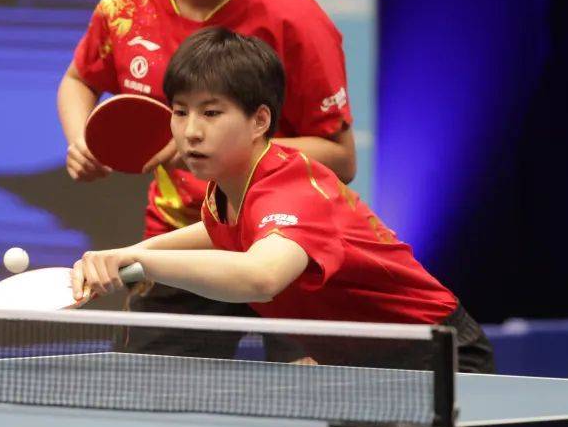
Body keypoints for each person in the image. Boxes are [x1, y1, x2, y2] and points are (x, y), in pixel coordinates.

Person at [57, 0, 355, 360]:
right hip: (182, 247)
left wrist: (223, 148)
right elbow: (78, 79)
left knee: (308, 395)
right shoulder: (127, 7)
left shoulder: (295, 20)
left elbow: (341, 159)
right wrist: (81, 138)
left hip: (283, 243)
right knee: (144, 393)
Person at [71, 28, 496, 373]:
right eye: (181, 112)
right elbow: (220, 231)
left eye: (211, 113)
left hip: (436, 358)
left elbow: (261, 277)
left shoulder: (292, 189)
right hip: (363, 362)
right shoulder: (230, 186)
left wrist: (145, 263)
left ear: (260, 120)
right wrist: (126, 254)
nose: (191, 132)